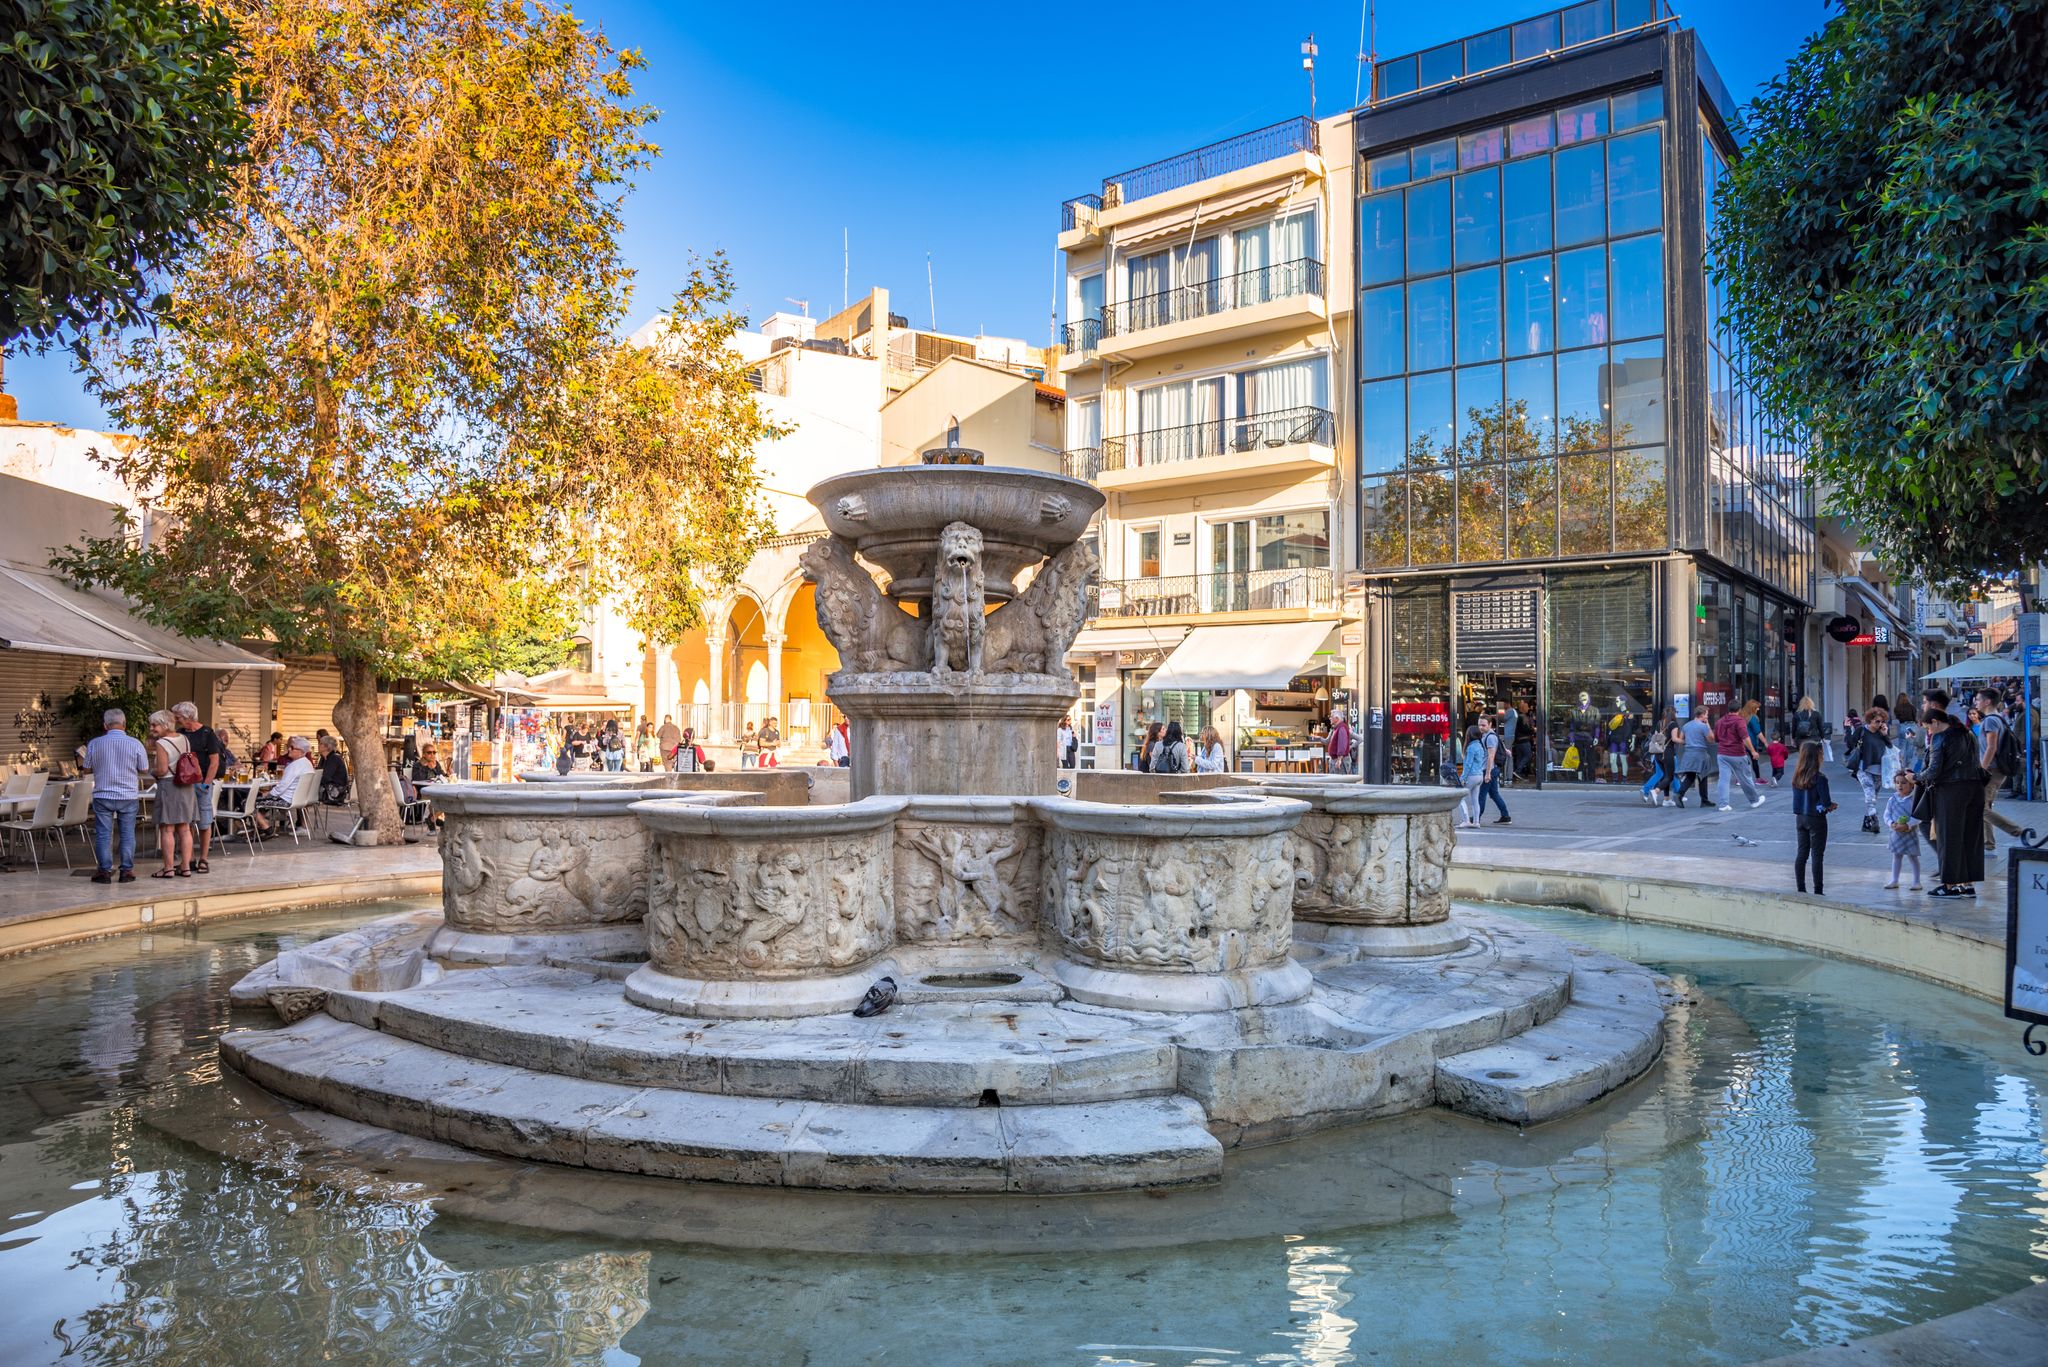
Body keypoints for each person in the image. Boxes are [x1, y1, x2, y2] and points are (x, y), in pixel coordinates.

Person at [80, 708, 151, 884]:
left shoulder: (95, 744)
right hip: (128, 795)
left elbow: (86, 769)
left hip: (103, 794)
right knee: (127, 834)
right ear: (124, 724)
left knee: (104, 834)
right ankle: (126, 871)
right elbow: (144, 769)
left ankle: (104, 872)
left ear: (105, 725)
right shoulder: (135, 744)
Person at [1924, 709, 1985, 898]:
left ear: (1935, 722)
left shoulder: (1940, 738)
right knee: (1971, 837)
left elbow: (1933, 771)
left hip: (1951, 791)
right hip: (1976, 788)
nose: (1929, 732)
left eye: (1928, 727)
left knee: (1948, 837)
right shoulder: (1968, 733)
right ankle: (1968, 885)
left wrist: (1914, 777)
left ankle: (1949, 886)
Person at [172, 701, 227, 874]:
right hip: (184, 783)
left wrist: (206, 783)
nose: (177, 720)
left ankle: (203, 858)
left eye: (179, 717)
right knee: (186, 821)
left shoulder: (207, 733)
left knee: (204, 821)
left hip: (201, 781)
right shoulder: (180, 733)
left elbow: (214, 761)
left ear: (188, 717)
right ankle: (189, 859)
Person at [146, 710, 196, 877]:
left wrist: (152, 772)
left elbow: (161, 770)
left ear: (165, 725)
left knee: (167, 828)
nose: (152, 728)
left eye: (155, 725)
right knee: (185, 828)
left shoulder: (162, 743)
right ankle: (186, 866)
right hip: (187, 786)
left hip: (169, 785)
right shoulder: (185, 739)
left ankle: (168, 868)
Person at [1974, 687, 2026, 851]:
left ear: (1987, 701)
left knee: (1979, 808)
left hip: (1991, 770)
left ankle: (2018, 831)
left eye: (1978, 699)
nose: (1976, 702)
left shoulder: (1990, 720)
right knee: (1985, 806)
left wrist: (1982, 769)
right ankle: (1988, 843)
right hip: (1996, 769)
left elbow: (1991, 747)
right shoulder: (1998, 718)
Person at [1790, 739, 1836, 895]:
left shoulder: (1796, 777)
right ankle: (1818, 889)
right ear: (1817, 757)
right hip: (1816, 819)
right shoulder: (1820, 778)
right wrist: (1830, 806)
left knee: (1801, 853)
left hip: (1800, 818)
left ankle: (1801, 888)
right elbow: (1825, 802)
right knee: (1817, 854)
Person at [254, 736, 315, 837]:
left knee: (249, 802)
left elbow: (281, 788)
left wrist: (268, 793)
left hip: (286, 800)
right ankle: (261, 828)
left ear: (301, 751)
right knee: (261, 801)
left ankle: (266, 829)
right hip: (298, 799)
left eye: (292, 747)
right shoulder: (307, 764)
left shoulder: (293, 766)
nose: (289, 749)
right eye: (289, 747)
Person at [1846, 707, 1891, 832]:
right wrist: (1847, 729)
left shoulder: (1882, 732)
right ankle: (1874, 819)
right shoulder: (1861, 731)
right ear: (1869, 721)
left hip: (1879, 769)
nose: (1880, 724)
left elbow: (1890, 747)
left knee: (1873, 797)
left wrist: (1885, 735)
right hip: (1863, 768)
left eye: (1882, 721)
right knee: (1869, 794)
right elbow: (1850, 745)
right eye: (1877, 721)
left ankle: (1866, 823)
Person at [1715, 703, 1765, 811]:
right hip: (1737, 753)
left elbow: (1716, 738)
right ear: (1739, 709)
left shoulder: (1720, 721)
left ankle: (1723, 804)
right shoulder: (1739, 721)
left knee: (1723, 779)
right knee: (1745, 778)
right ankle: (1754, 801)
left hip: (1722, 753)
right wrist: (1753, 751)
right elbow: (1745, 737)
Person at [1884, 771, 1923, 891]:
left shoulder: (1914, 800)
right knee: (1896, 855)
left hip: (1910, 833)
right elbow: (1887, 814)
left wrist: (1908, 824)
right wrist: (1891, 824)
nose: (1900, 785)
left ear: (1912, 785)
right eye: (1897, 783)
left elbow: (1919, 816)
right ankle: (1894, 880)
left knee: (1913, 856)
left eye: (1903, 783)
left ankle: (1917, 881)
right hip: (1895, 833)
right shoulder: (1892, 799)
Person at [1673, 710, 1718, 809]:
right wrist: (1708, 725)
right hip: (1700, 754)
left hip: (1688, 753)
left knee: (1690, 776)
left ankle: (1680, 794)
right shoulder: (1703, 726)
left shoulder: (1686, 726)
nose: (1707, 716)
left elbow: (1681, 739)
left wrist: (1690, 742)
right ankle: (1703, 800)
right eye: (1706, 714)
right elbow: (1711, 739)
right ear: (1701, 715)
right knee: (1703, 775)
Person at [1476, 712, 1511, 824]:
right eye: (1479, 725)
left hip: (1490, 769)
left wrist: (1487, 773)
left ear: (1490, 724)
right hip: (1492, 769)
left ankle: (1477, 817)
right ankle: (1505, 816)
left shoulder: (1490, 737)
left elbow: (1491, 756)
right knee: (1494, 794)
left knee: (1481, 794)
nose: (1481, 727)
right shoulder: (1489, 735)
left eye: (1483, 725)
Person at [1639, 706, 1676, 805]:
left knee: (1664, 775)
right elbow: (1675, 739)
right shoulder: (1673, 724)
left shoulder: (1659, 723)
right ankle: (1652, 791)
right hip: (1667, 753)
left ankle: (1666, 799)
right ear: (1673, 714)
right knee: (1668, 776)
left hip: (1657, 753)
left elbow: (1654, 736)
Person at [1458, 724, 1488, 828]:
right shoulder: (1480, 746)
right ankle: (1476, 822)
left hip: (1471, 776)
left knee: (1460, 798)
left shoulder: (1470, 747)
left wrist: (1462, 778)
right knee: (1475, 801)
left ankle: (1466, 820)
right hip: (1479, 776)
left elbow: (1468, 764)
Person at [317, 734, 351, 805]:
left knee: (303, 793)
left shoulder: (333, 759)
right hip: (331, 790)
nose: (318, 745)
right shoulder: (325, 758)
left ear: (327, 747)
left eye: (320, 743)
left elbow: (326, 777)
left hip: (335, 793)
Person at [1325, 710, 1353, 775]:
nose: (1330, 718)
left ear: (1337, 718)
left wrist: (1339, 759)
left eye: (1331, 716)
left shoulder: (1341, 728)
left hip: (1340, 760)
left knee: (1339, 782)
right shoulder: (1337, 728)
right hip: (1336, 759)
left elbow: (1342, 744)